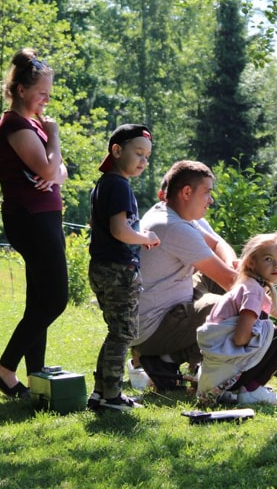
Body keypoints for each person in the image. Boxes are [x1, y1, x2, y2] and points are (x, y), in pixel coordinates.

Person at [0, 48, 69, 400]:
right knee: (55, 299)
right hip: (31, 218)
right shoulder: (18, 125)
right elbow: (52, 167)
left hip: (43, 216)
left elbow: (60, 172)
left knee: (39, 300)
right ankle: (5, 369)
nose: (46, 100)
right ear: (21, 90)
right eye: (41, 93)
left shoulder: (33, 124)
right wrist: (54, 137)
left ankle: (36, 374)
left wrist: (52, 171)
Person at [133, 160, 238, 390]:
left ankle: (166, 361)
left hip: (169, 308)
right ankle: (194, 366)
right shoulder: (173, 226)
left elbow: (218, 243)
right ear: (187, 192)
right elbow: (231, 282)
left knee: (225, 286)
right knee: (223, 306)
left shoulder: (177, 213)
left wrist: (233, 263)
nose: (211, 200)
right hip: (152, 329)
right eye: (207, 193)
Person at [88, 124, 160, 412]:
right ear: (117, 151)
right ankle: (113, 396)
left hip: (101, 267)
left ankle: (101, 393)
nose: (143, 160)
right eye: (138, 153)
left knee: (115, 331)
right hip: (119, 269)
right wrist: (146, 238)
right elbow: (120, 230)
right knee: (123, 333)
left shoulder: (104, 184)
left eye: (147, 156)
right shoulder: (118, 185)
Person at [196, 233, 277, 406]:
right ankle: (252, 390)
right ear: (251, 262)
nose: (276, 265)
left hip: (214, 376)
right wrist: (264, 338)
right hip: (228, 374)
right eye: (268, 259)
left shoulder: (248, 285)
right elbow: (240, 339)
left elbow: (270, 305)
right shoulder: (253, 291)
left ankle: (243, 389)